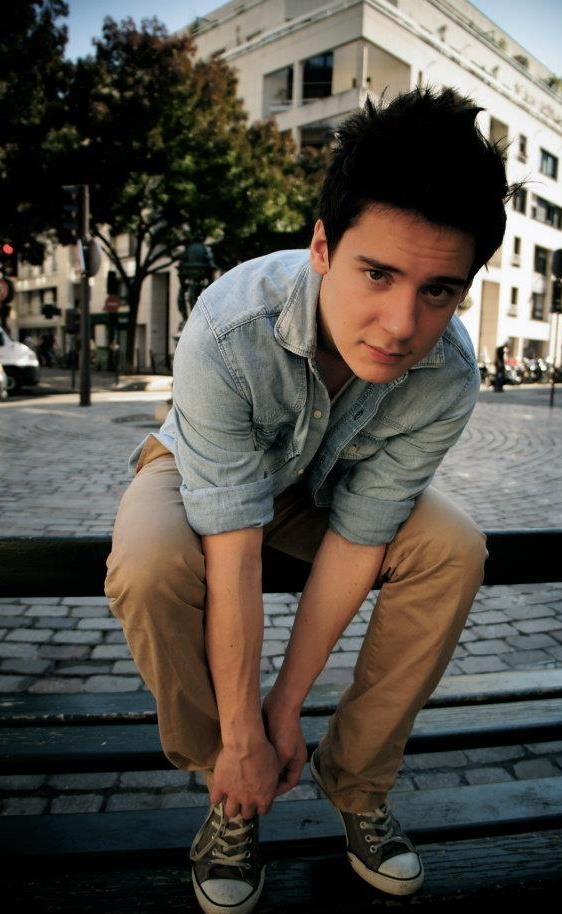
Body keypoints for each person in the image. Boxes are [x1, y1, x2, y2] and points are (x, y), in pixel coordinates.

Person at [105, 87, 511, 913]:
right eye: (378, 274)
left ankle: (357, 782)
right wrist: (246, 731)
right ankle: (232, 783)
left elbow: (360, 537)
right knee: (148, 563)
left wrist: (286, 707)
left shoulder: (447, 372)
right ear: (323, 245)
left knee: (452, 547)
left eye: (438, 290)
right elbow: (234, 553)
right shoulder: (230, 326)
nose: (400, 324)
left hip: (328, 490)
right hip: (200, 471)